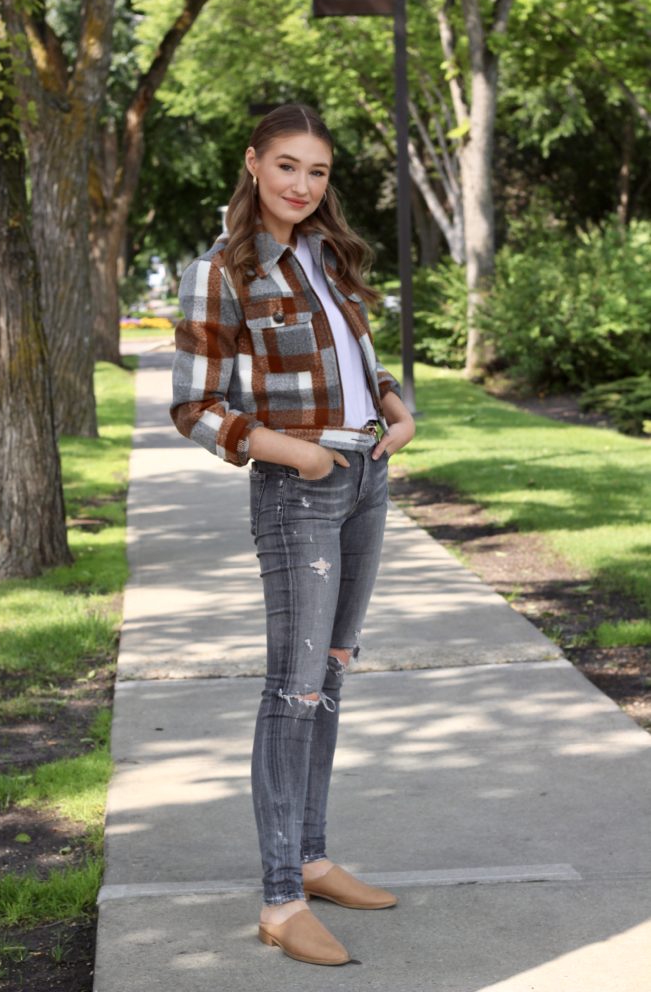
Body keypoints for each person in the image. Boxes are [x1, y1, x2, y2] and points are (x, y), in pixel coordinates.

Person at [170, 104, 416, 966]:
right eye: (285, 167)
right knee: (292, 690)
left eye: (316, 171)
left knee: (333, 676)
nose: (301, 186)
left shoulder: (328, 254)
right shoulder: (222, 270)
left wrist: (393, 405)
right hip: (299, 490)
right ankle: (279, 899)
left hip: (367, 477)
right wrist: (299, 458)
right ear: (251, 164)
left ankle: (311, 858)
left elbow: (355, 353)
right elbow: (195, 408)